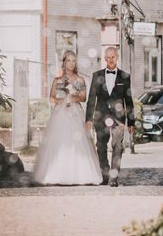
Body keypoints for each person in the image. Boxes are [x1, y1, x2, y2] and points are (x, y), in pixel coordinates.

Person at [32, 51, 102, 185]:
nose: (71, 63)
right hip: (60, 114)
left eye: (73, 61)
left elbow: (83, 97)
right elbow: (51, 97)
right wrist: (62, 100)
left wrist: (72, 97)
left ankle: (79, 174)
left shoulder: (79, 79)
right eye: (68, 60)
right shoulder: (58, 80)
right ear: (64, 62)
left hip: (75, 113)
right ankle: (56, 173)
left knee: (77, 142)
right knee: (59, 141)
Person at [84, 46, 135, 186]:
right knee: (101, 147)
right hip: (100, 118)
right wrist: (88, 119)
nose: (111, 60)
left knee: (117, 146)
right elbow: (91, 99)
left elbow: (128, 101)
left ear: (117, 57)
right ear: (105, 59)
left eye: (113, 57)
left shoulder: (125, 77)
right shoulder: (97, 75)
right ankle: (105, 174)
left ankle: (114, 178)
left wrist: (131, 122)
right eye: (108, 57)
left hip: (119, 119)